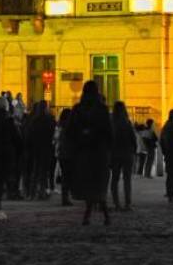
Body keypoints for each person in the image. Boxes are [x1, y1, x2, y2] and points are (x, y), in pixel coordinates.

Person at [66, 79, 113, 225]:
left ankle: (89, 214)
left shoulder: (77, 109)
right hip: (99, 151)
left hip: (83, 152)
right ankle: (103, 214)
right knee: (99, 184)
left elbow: (69, 131)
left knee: (88, 184)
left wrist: (80, 137)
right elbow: (109, 132)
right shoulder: (102, 109)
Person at [24, 100, 55, 200]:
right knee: (44, 172)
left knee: (35, 171)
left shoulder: (34, 120)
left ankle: (32, 193)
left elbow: (30, 135)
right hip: (46, 147)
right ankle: (42, 192)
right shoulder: (49, 119)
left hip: (36, 148)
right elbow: (52, 133)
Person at [110, 101, 137, 210]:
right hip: (127, 153)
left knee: (114, 179)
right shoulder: (127, 122)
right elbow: (133, 139)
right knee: (127, 179)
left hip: (115, 154)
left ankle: (116, 203)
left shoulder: (111, 123)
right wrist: (134, 150)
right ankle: (128, 203)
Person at [54, 108, 74, 206]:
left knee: (65, 176)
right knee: (68, 177)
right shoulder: (69, 127)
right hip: (69, 154)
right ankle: (66, 198)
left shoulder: (60, 126)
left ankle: (65, 197)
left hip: (62, 154)